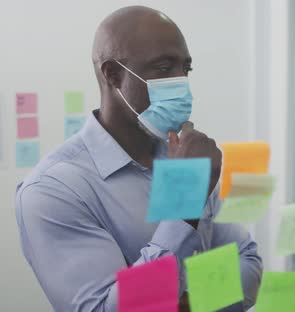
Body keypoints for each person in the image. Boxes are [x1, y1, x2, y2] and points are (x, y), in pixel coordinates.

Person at [15, 6, 261, 312]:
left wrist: (185, 303)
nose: (180, 81)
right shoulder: (54, 189)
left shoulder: (180, 158)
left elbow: (248, 265)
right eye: (163, 68)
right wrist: (186, 201)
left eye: (185, 68)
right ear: (113, 75)